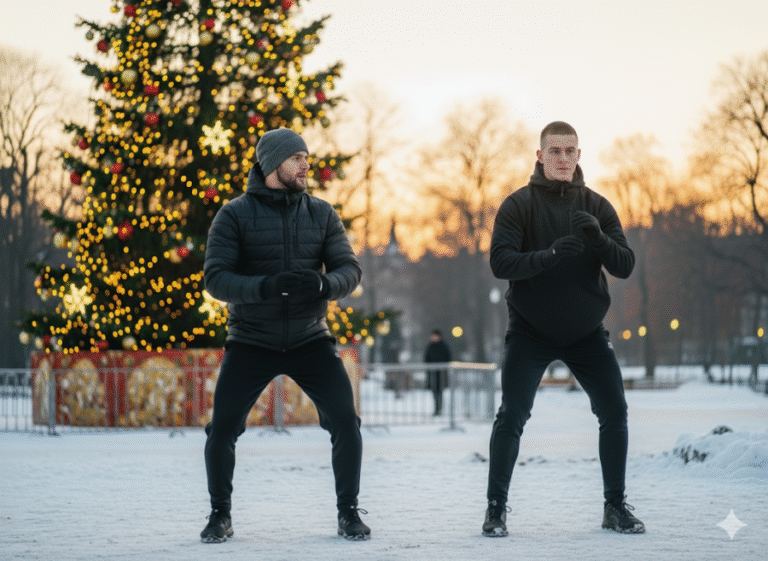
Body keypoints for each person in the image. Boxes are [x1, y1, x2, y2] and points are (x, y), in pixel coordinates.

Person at [201, 128, 370, 542]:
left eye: (306, 158)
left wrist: (323, 285)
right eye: (296, 158)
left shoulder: (322, 214)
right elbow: (215, 278)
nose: (305, 165)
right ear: (271, 163)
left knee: (346, 422)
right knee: (222, 427)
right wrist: (263, 287)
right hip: (250, 340)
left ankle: (348, 513)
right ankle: (220, 515)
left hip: (310, 339)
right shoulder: (234, 214)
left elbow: (350, 270)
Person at [482, 121, 644, 537]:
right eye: (554, 151)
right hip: (530, 332)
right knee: (512, 414)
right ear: (539, 156)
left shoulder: (597, 206)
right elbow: (500, 263)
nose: (562, 159)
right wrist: (548, 255)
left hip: (586, 333)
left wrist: (599, 240)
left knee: (615, 412)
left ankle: (614, 507)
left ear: (578, 155)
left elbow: (624, 266)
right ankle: (495, 511)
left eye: (570, 151)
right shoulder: (519, 206)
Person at [424, 329, 452, 415]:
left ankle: (439, 408)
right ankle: (437, 408)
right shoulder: (430, 346)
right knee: (434, 392)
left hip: (441, 373)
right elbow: (426, 358)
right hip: (432, 373)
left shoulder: (443, 346)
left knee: (440, 391)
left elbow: (448, 357)